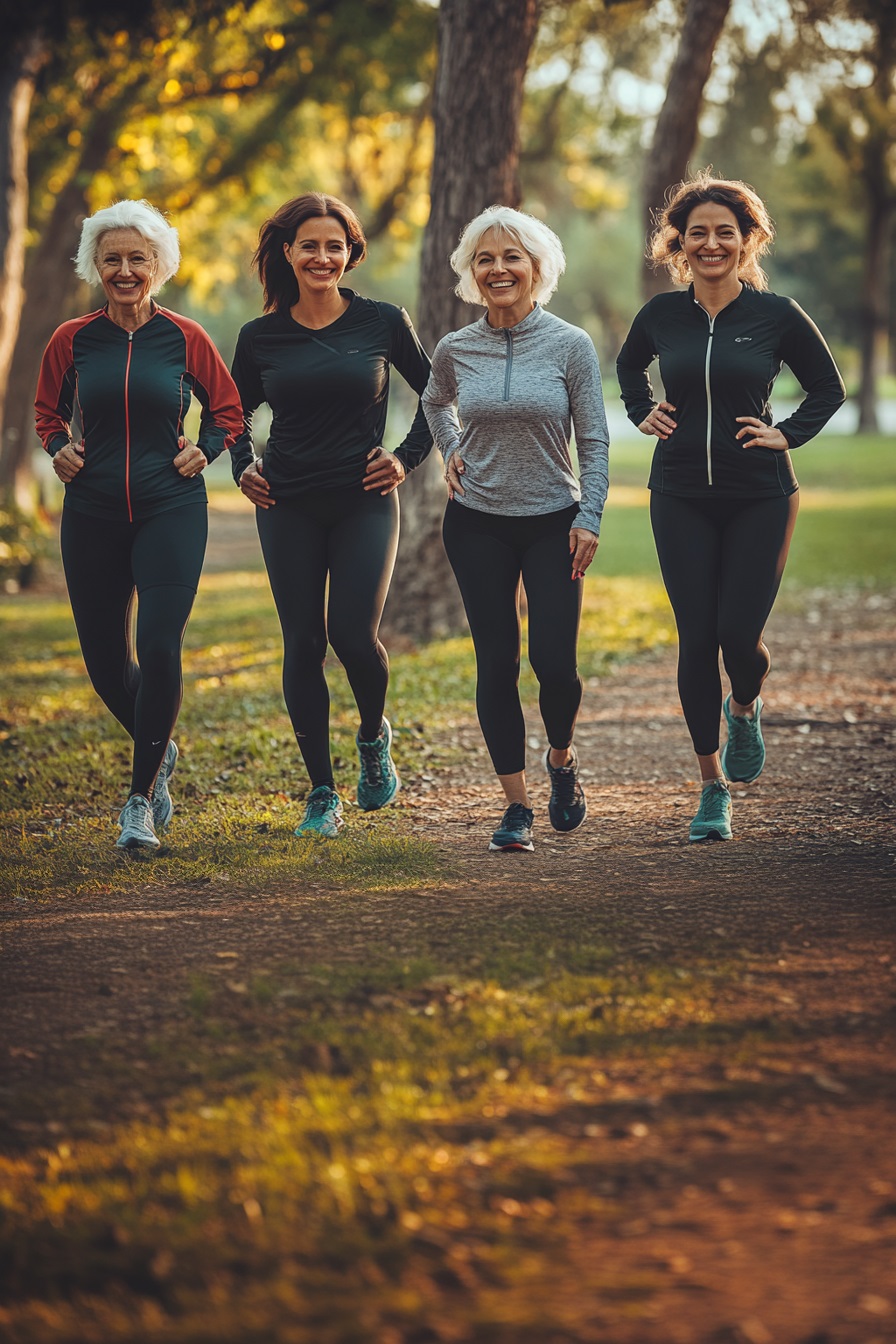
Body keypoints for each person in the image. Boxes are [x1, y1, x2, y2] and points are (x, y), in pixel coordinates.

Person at [616, 172, 846, 843]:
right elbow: (630, 369)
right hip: (680, 493)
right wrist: (641, 411)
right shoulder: (661, 315)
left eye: (725, 232)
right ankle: (711, 787)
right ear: (679, 244)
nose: (712, 243)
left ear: (748, 241)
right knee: (696, 637)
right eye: (699, 233)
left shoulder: (776, 315)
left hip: (760, 495)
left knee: (738, 639)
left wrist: (788, 433)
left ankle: (743, 705)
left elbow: (827, 389)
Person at [35, 198, 244, 850]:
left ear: (158, 265)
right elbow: (47, 411)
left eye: (137, 258)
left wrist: (203, 449)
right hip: (92, 513)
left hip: (170, 507)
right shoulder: (72, 338)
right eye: (112, 259)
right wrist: (57, 446)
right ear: (95, 266)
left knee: (158, 645)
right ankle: (159, 745)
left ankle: (139, 800)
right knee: (105, 665)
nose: (125, 270)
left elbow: (229, 411)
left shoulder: (185, 337)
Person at [230, 192, 433, 838]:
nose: (322, 257)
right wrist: (242, 465)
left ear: (351, 254)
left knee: (352, 635)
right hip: (285, 502)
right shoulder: (260, 337)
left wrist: (403, 459)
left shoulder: (381, 322)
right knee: (303, 642)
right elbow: (232, 417)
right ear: (287, 253)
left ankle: (373, 740)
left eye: (334, 246)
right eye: (309, 245)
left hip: (364, 499)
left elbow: (440, 396)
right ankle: (321, 791)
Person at [423, 205, 609, 853]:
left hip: (554, 522)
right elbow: (432, 399)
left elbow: (594, 438)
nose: (498, 268)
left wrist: (590, 516)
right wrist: (449, 446)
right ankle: (516, 807)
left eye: (511, 257)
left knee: (554, 666)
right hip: (475, 522)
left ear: (536, 268)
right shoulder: (456, 348)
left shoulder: (569, 345)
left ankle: (561, 760)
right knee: (495, 663)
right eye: (485, 258)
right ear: (472, 272)